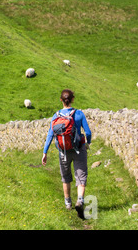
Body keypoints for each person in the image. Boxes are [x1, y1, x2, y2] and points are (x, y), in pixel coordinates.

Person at [41, 89, 92, 219]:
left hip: (63, 151)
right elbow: (88, 132)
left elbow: (50, 134)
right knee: (81, 176)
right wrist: (88, 143)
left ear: (61, 100)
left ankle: (68, 203)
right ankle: (80, 200)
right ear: (73, 99)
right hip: (79, 148)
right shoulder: (79, 114)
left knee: (66, 177)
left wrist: (45, 152)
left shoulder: (56, 116)